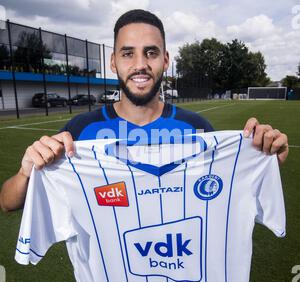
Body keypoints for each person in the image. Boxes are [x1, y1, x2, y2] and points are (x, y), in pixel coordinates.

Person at [0, 9, 289, 213]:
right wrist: (27, 171)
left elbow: (231, 189)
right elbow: (8, 203)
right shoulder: (79, 133)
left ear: (165, 60)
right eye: (128, 53)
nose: (140, 64)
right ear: (113, 62)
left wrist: (264, 155)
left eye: (151, 53)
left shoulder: (197, 128)